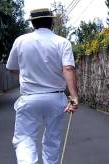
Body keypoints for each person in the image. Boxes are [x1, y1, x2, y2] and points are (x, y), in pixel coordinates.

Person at [6, 8, 79, 164]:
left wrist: (29, 71)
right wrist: (73, 97)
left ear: (33, 23)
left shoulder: (20, 41)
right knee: (52, 138)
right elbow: (68, 68)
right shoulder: (62, 42)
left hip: (29, 98)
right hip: (56, 98)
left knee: (25, 137)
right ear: (51, 22)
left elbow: (12, 68)